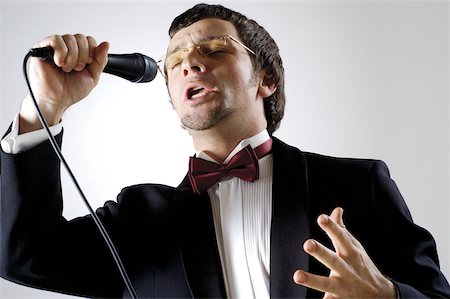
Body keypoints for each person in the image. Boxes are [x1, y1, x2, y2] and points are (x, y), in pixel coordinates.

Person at [1, 3, 449, 298]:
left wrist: (388, 297)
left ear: (266, 80)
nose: (190, 62)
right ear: (174, 95)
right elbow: (22, 256)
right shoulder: (139, 220)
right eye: (175, 62)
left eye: (214, 49)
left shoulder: (358, 185)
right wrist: (43, 108)